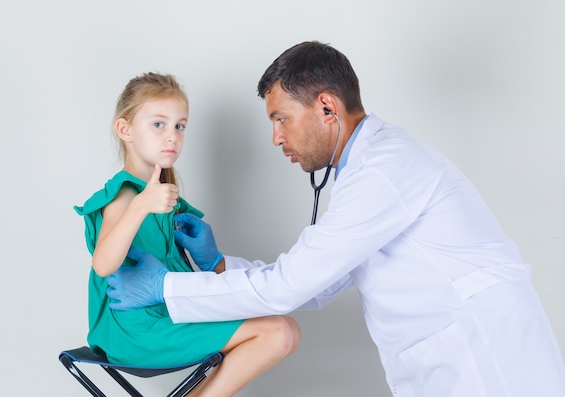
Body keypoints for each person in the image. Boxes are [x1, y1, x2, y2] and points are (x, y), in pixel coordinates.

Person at [104, 44, 565, 396]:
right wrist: (220, 264)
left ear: (327, 107)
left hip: (487, 363)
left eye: (281, 119)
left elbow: (291, 286)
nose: (275, 137)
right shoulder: (364, 176)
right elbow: (321, 286)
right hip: (449, 360)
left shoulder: (383, 172)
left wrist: (165, 288)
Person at [74, 72, 300, 397]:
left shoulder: (168, 198)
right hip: (133, 331)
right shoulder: (125, 194)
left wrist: (213, 259)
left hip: (173, 314)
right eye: (158, 124)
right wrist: (140, 207)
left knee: (284, 329)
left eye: (180, 126)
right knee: (278, 332)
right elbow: (103, 264)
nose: (172, 137)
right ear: (125, 130)